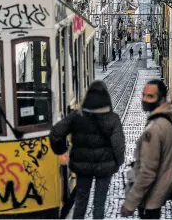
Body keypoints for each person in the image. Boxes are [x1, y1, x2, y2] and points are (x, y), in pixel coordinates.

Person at [50, 80, 125, 219]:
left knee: (81, 202)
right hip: (104, 167)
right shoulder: (113, 119)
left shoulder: (77, 116)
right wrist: (117, 163)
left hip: (82, 166)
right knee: (99, 204)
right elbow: (119, 146)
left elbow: (56, 132)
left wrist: (61, 151)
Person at [121, 79, 172, 219]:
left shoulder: (154, 129)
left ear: (162, 99)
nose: (144, 100)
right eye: (143, 95)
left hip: (151, 195)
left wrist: (130, 203)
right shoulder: (170, 118)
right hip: (160, 190)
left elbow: (147, 172)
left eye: (150, 96)